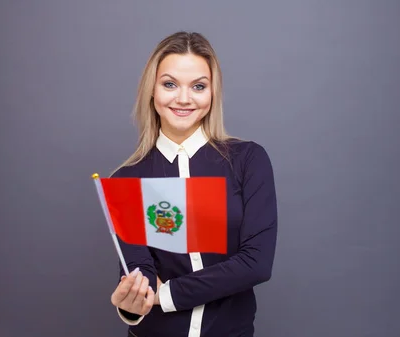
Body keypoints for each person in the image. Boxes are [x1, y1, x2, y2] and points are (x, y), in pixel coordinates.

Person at [108, 31, 278, 337]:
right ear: (152, 90)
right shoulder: (127, 180)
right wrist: (130, 304)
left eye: (198, 86)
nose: (184, 98)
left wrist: (165, 295)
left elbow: (256, 263)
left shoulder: (248, 160)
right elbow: (138, 276)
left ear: (213, 93)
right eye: (169, 84)